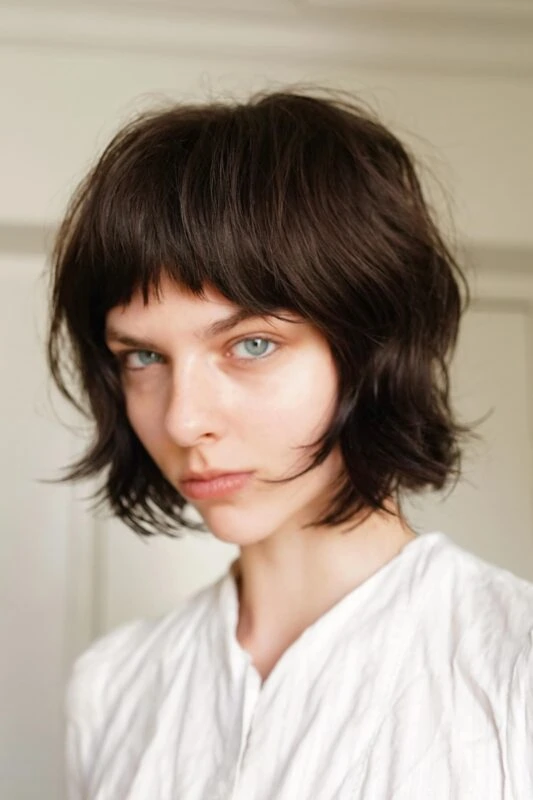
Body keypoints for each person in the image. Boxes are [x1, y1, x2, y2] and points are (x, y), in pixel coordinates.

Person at [47, 87, 532, 799]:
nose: (183, 422)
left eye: (250, 344)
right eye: (143, 357)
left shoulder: (512, 669)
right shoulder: (113, 688)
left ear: (371, 346)